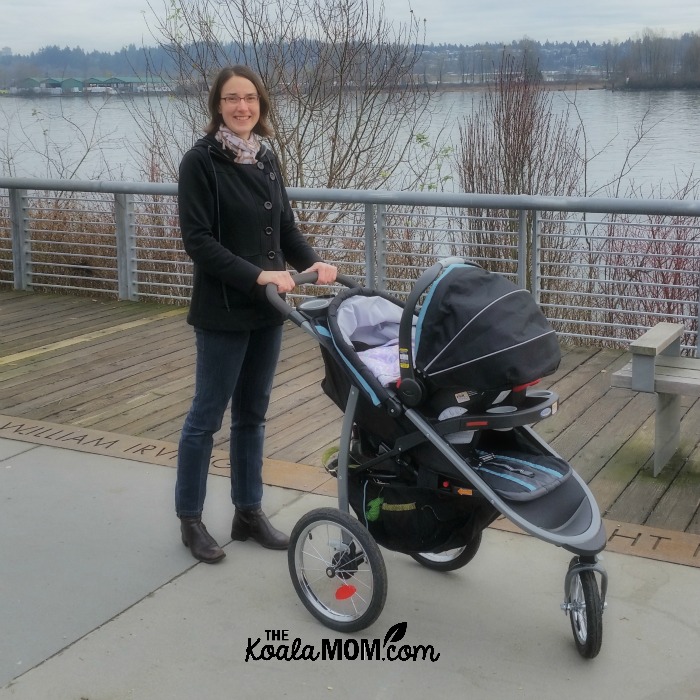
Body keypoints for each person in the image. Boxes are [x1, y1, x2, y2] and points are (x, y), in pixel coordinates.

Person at [175, 65, 337, 563]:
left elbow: (284, 229)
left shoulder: (266, 160)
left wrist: (311, 262)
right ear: (217, 106)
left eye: (249, 98)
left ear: (261, 105)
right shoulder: (199, 162)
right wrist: (258, 274)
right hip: (223, 310)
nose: (242, 107)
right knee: (206, 417)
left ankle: (248, 512)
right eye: (231, 99)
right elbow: (198, 242)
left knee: (252, 416)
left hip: (268, 311)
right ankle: (191, 519)